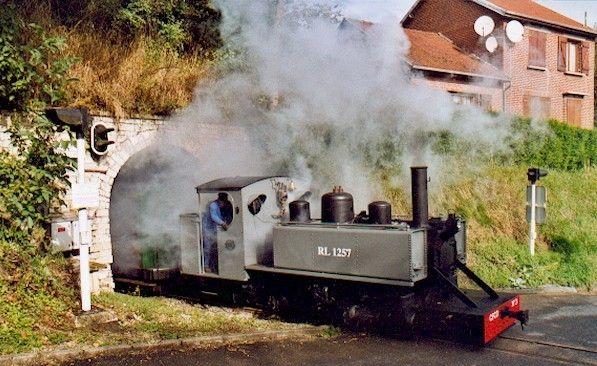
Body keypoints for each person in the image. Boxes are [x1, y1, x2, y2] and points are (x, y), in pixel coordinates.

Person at [202, 193, 231, 273]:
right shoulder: (213, 205)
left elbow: (223, 215)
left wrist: (225, 220)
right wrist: (223, 223)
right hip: (207, 229)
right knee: (208, 248)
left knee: (215, 249)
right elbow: (214, 216)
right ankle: (206, 265)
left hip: (215, 229)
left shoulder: (221, 205)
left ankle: (214, 266)